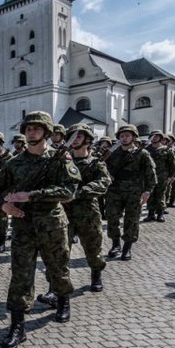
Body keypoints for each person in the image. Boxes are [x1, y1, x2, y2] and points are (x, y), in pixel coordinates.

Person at [0, 111, 81, 348]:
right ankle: (17, 326)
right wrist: (4, 204)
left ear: (47, 132)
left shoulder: (61, 158)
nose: (31, 132)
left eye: (37, 128)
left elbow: (69, 192)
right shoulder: (15, 162)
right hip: (24, 225)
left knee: (57, 267)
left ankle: (63, 301)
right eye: (28, 128)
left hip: (52, 223)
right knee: (21, 275)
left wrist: (32, 195)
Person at [60, 124, 111, 293]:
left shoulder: (96, 163)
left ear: (88, 140)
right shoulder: (63, 161)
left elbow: (103, 183)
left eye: (79, 137)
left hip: (88, 211)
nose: (74, 141)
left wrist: (79, 193)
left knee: (93, 247)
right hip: (64, 212)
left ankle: (96, 275)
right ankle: (59, 287)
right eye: (72, 137)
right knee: (60, 251)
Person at [105, 124, 157, 261]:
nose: (124, 138)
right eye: (122, 136)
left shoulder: (142, 154)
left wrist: (148, 191)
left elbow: (151, 174)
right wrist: (107, 175)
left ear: (133, 137)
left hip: (134, 191)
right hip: (114, 190)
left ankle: (127, 247)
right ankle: (115, 244)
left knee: (132, 219)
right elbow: (103, 168)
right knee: (112, 218)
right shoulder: (112, 154)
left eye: (127, 135)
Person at [145, 130, 175, 223]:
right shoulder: (146, 150)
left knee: (160, 194)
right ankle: (150, 214)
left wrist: (171, 176)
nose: (154, 138)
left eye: (157, 136)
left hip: (162, 176)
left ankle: (160, 214)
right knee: (150, 195)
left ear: (161, 138)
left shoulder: (166, 150)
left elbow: (172, 165)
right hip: (149, 177)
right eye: (152, 136)